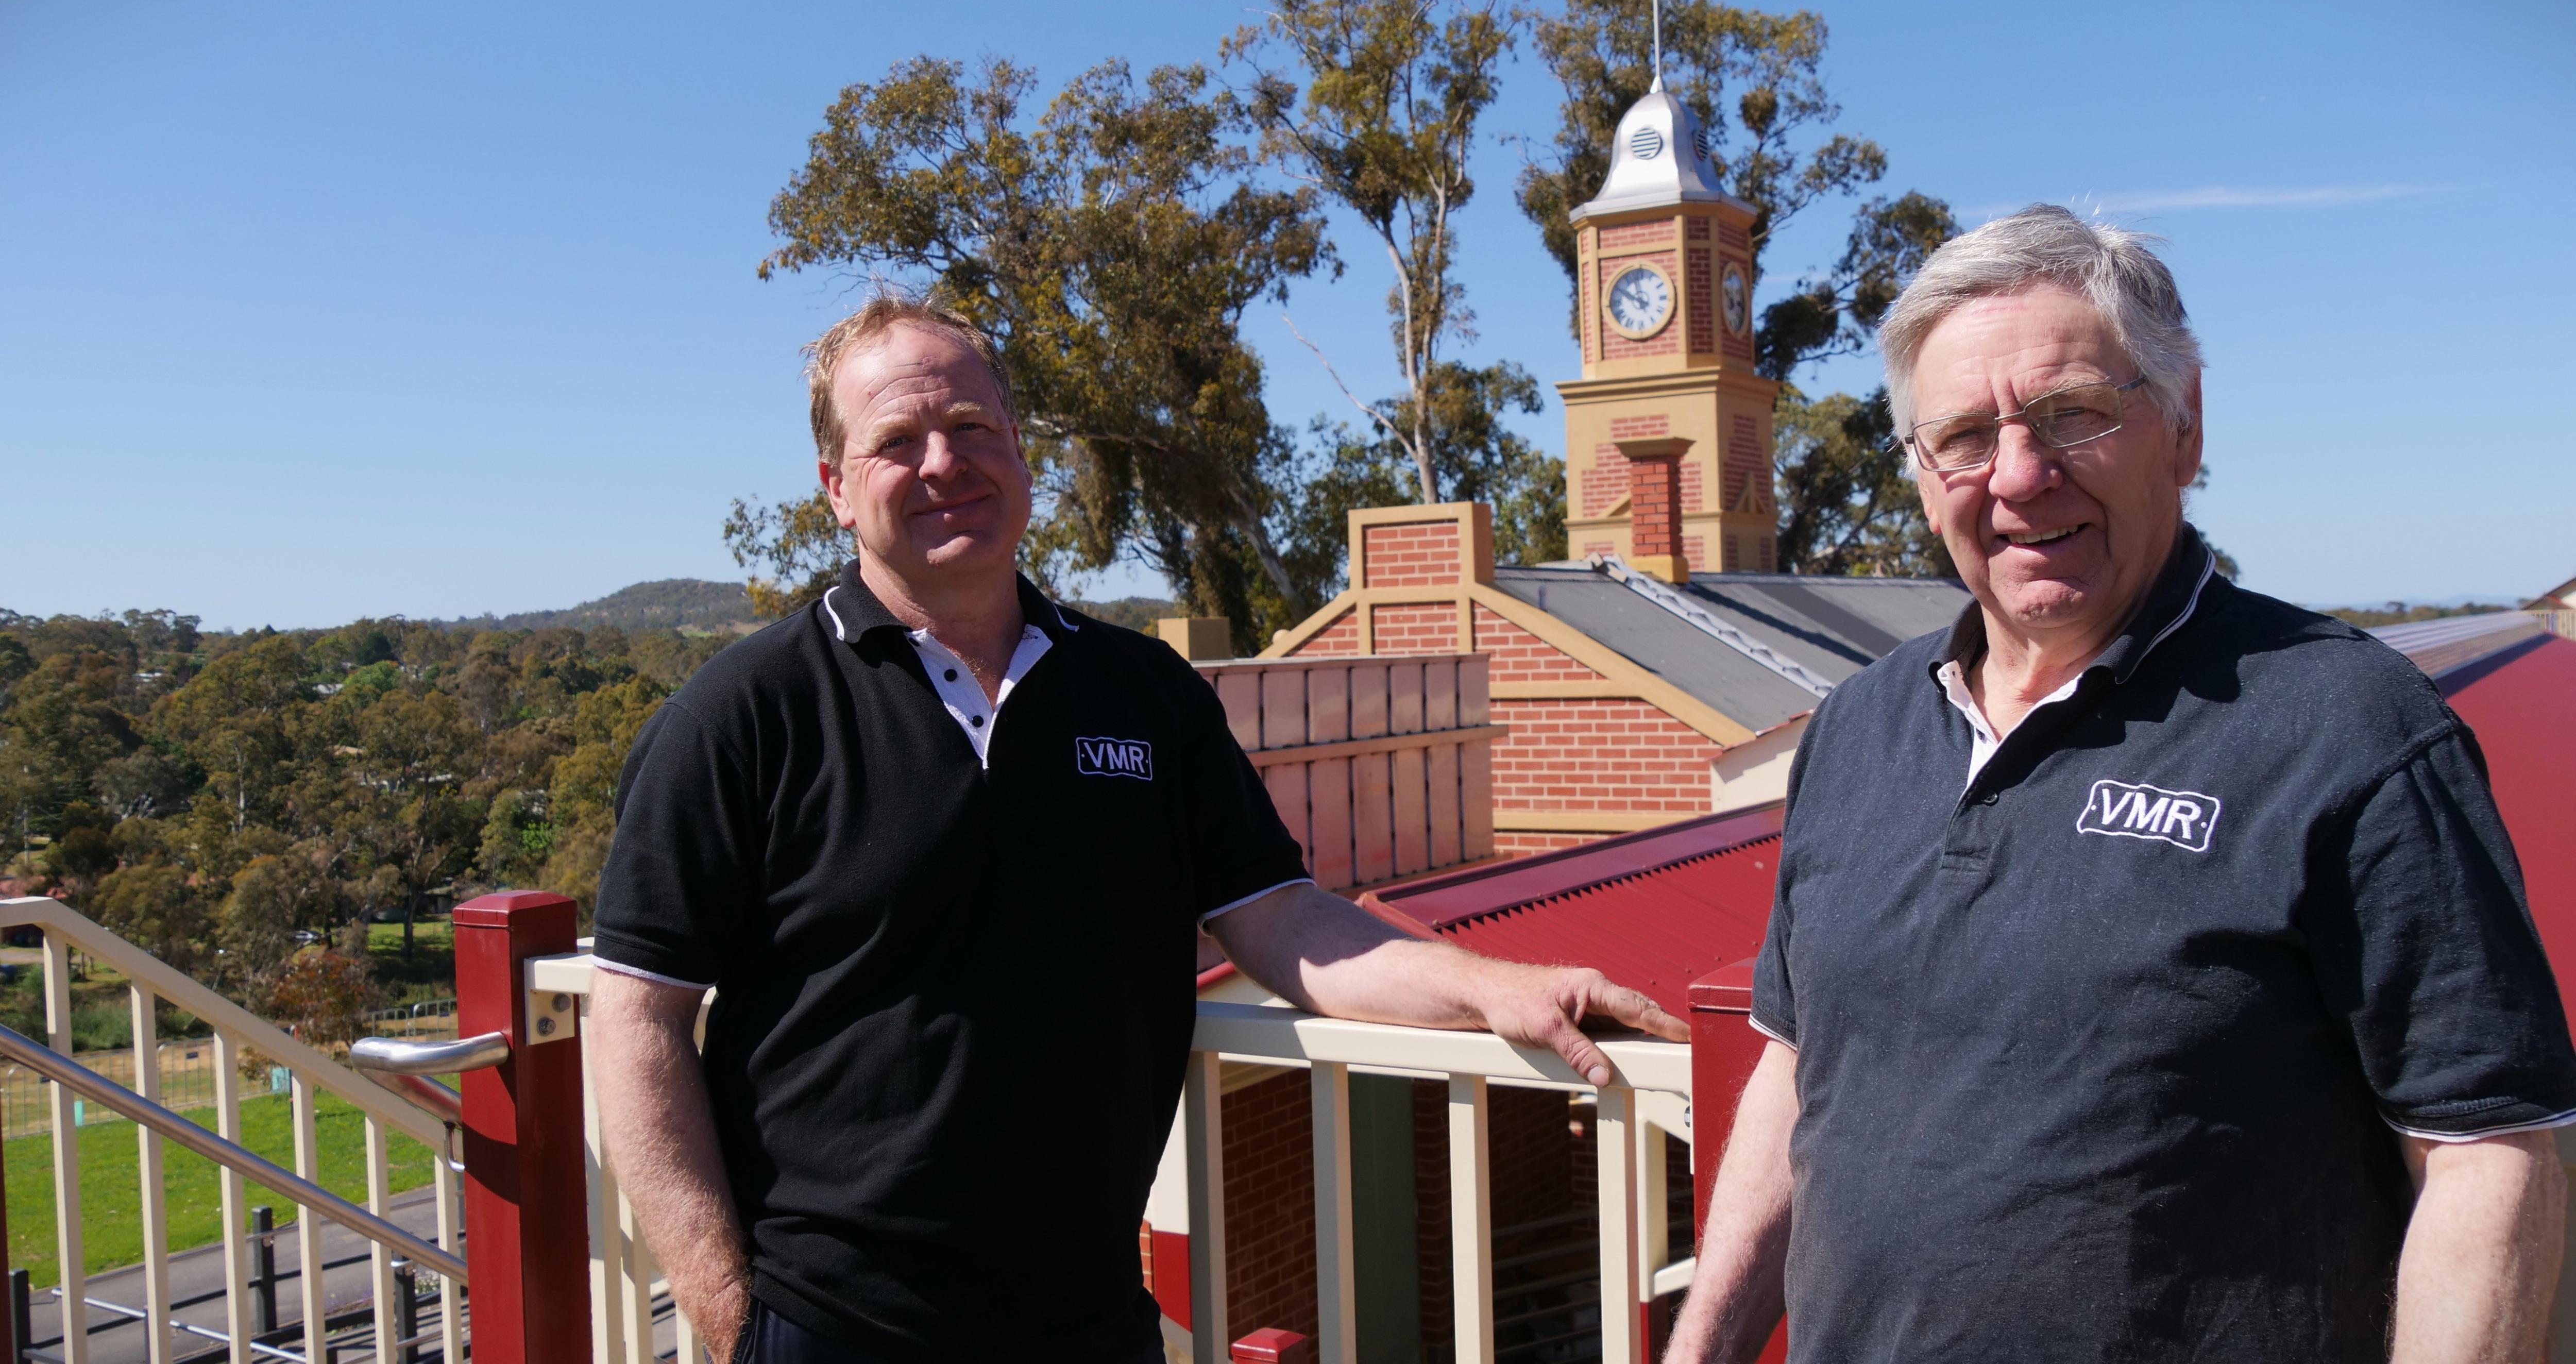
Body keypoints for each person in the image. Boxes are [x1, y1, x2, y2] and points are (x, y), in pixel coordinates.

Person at [585, 291, 1685, 1364]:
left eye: (971, 427)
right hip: (833, 1324)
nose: (941, 462)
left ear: (1021, 453)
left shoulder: (1143, 694)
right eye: (897, 440)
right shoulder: (742, 715)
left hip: (1091, 1316)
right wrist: (728, 1319)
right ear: (834, 486)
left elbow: (1283, 919)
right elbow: (637, 1023)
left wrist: (1492, 986)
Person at [1666, 205, 2576, 1363]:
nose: (2019, 476)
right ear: (1920, 469)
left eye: (2071, 415)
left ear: (2183, 428)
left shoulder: (2351, 728)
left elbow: (2484, 1151)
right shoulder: (1859, 727)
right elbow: (1800, 1069)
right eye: (1962, 436)